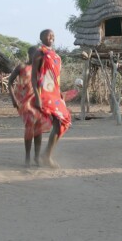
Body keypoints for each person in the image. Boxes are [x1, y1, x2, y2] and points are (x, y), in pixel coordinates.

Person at [31, 29, 71, 168]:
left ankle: (46, 154)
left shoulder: (55, 55)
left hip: (54, 93)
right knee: (38, 124)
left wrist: (59, 93)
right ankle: (37, 157)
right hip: (43, 93)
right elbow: (34, 76)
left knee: (62, 122)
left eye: (53, 35)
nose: (52, 37)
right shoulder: (39, 52)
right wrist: (37, 96)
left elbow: (56, 77)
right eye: (49, 34)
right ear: (41, 37)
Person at [8, 46, 52, 167]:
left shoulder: (41, 70)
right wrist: (13, 99)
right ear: (30, 55)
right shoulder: (22, 67)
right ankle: (27, 158)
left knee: (38, 128)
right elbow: (10, 83)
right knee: (30, 126)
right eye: (37, 54)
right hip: (24, 102)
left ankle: (36, 157)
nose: (39, 57)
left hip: (37, 101)